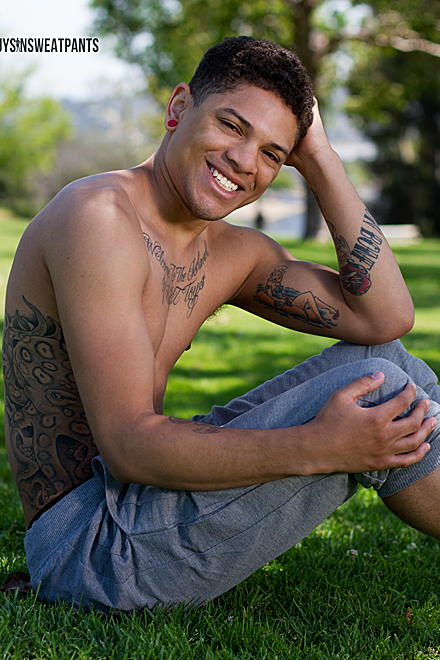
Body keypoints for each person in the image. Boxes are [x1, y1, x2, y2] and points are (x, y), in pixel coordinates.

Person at [3, 36, 440, 613]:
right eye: (232, 126)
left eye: (273, 154)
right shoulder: (99, 218)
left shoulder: (232, 252)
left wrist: (320, 158)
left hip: (140, 498)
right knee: (380, 391)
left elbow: (385, 316)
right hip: (91, 544)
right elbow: (129, 445)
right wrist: (318, 447)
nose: (245, 161)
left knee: (381, 363)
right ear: (179, 107)